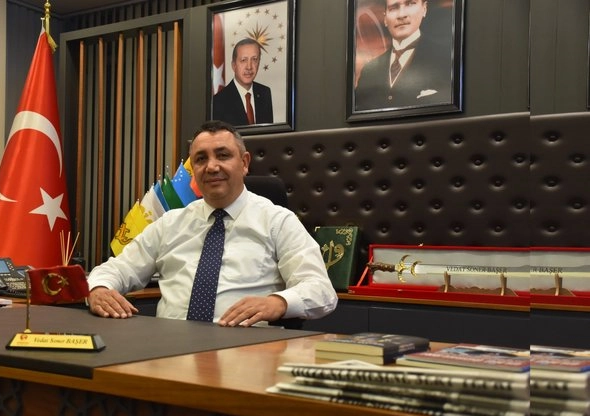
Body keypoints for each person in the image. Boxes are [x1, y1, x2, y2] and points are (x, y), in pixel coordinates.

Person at [86, 120, 337, 327]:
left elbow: (321, 290)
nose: (212, 167)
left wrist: (277, 302)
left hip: (246, 351)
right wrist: (98, 289)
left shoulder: (278, 221)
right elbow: (116, 269)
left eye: (223, 155)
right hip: (169, 349)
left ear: (244, 162)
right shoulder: (170, 223)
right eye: (201, 159)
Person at [354, 0, 451, 111]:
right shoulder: (368, 71)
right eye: (393, 8)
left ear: (424, 9)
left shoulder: (446, 58)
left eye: (410, 4)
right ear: (385, 19)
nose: (401, 15)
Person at [212, 38, 274, 126]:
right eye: (243, 60)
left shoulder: (265, 93)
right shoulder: (218, 102)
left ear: (259, 63)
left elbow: (268, 132)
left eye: (254, 59)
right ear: (234, 65)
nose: (249, 67)